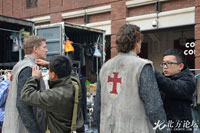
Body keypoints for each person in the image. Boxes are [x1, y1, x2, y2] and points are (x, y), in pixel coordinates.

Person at [93, 24, 169, 133]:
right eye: (140, 41)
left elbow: (97, 108)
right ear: (136, 41)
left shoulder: (105, 67)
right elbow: (154, 107)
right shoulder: (142, 66)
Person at [21, 55, 84, 133]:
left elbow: (26, 95)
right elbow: (70, 73)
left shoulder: (54, 96)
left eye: (49, 70)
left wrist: (34, 78)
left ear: (53, 75)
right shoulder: (75, 84)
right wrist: (49, 65)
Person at [2, 36, 48, 133]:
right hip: (22, 129)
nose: (47, 50)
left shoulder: (20, 65)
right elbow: (22, 104)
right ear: (35, 49)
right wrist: (35, 130)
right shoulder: (29, 69)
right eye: (44, 47)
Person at [155, 49, 196, 132]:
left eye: (169, 63)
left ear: (180, 66)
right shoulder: (163, 79)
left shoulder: (189, 79)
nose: (164, 67)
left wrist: (154, 72)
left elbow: (174, 87)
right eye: (163, 63)